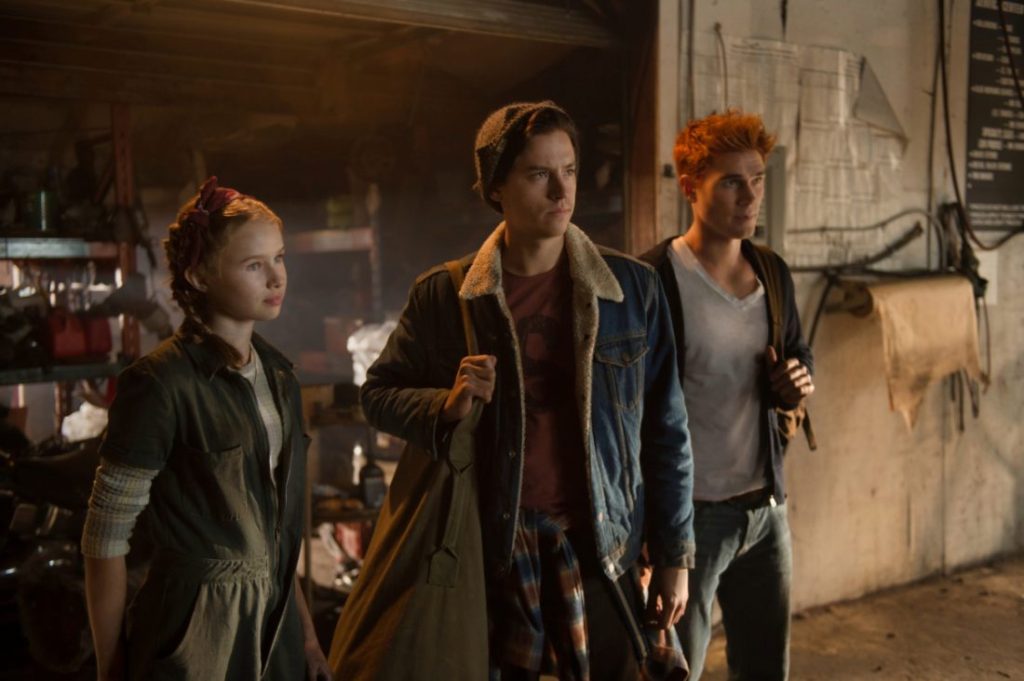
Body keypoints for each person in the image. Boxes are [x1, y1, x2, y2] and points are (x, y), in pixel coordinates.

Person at [356, 101, 694, 679]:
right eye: (539, 174)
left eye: (570, 171)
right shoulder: (445, 295)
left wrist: (673, 556)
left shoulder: (631, 289)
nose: (561, 191)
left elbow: (667, 430)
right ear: (497, 187)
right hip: (491, 554)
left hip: (602, 547)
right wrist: (445, 405)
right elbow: (378, 394)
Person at [81, 177, 330, 681]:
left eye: (279, 258)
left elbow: (277, 536)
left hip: (276, 632)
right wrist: (110, 666)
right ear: (198, 276)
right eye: (253, 265)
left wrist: (305, 638)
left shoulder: (280, 378)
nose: (276, 279)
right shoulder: (160, 384)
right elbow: (105, 534)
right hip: (196, 636)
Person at [639, 110, 815, 680]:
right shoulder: (654, 280)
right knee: (676, 668)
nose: (751, 196)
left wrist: (796, 380)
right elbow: (631, 410)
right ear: (690, 187)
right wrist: (652, 535)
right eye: (733, 182)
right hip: (689, 518)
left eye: (757, 179)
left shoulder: (771, 271)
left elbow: (798, 351)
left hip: (765, 510)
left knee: (765, 669)